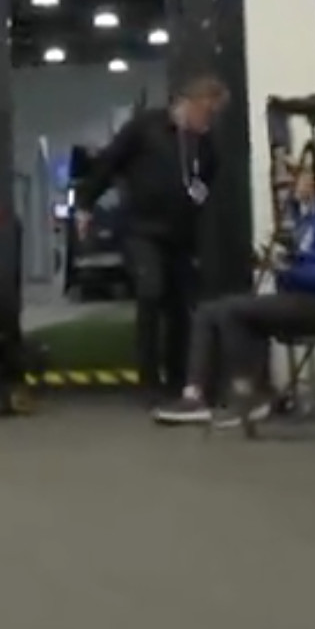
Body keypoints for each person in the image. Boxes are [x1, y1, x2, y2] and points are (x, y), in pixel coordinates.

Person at [153, 140, 315, 425]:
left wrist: (286, 270)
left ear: (314, 180)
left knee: (233, 311)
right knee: (209, 311)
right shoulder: (302, 221)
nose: (288, 183)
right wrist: (282, 264)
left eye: (295, 175)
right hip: (299, 299)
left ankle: (249, 395)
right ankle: (195, 394)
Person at [72, 72, 228, 401]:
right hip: (141, 231)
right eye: (208, 112)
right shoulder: (145, 128)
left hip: (180, 237)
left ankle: (177, 378)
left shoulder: (205, 146)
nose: (210, 121)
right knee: (151, 291)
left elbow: (208, 179)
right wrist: (85, 204)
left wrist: (194, 202)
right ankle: (148, 380)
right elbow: (108, 163)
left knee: (180, 306)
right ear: (190, 103)